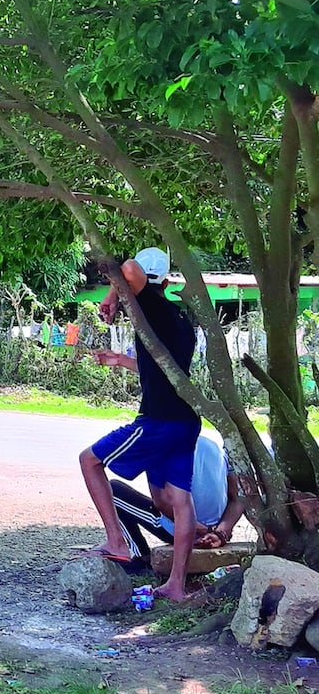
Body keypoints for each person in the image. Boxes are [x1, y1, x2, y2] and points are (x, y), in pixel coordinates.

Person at [81, 247, 200, 601]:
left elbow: (130, 269)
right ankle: (176, 585)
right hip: (184, 420)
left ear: (149, 283)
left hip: (159, 420)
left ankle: (117, 541)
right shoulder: (178, 319)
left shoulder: (150, 304)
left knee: (90, 460)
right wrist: (122, 360)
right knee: (174, 500)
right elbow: (163, 369)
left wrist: (112, 294)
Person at [109, 435, 245, 565]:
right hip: (216, 532)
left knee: (112, 489)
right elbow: (237, 498)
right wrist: (220, 532)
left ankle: (139, 555)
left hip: (183, 531)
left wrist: (201, 529)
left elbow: (162, 503)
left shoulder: (163, 446)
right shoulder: (215, 447)